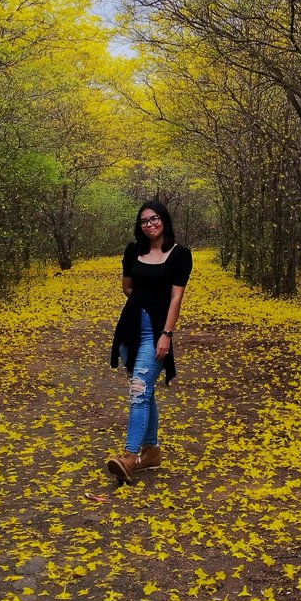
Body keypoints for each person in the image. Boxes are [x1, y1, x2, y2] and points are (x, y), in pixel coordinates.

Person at [107, 201, 193, 483]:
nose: (149, 224)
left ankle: (130, 455)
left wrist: (166, 334)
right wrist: (140, 303)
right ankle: (152, 451)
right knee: (144, 392)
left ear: (164, 220)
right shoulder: (133, 251)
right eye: (143, 221)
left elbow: (175, 298)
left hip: (155, 332)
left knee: (139, 390)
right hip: (129, 328)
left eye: (154, 219)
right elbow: (127, 287)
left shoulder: (180, 255)